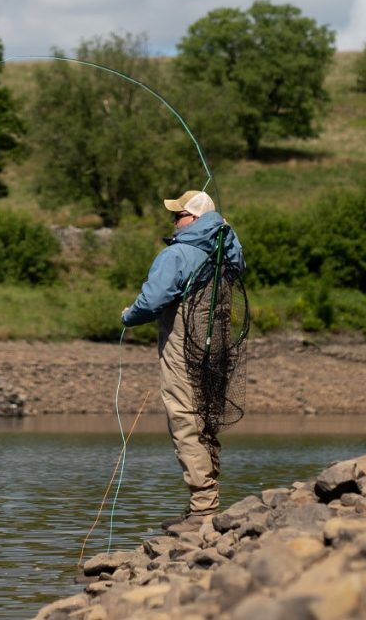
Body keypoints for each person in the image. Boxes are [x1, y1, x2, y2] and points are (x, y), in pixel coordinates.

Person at [121, 190, 245, 535]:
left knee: (184, 417)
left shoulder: (176, 254)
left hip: (181, 347)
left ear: (192, 218)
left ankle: (204, 508)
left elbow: (152, 300)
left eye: (178, 215)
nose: (173, 221)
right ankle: (205, 505)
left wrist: (128, 316)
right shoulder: (228, 250)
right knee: (206, 416)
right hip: (218, 349)